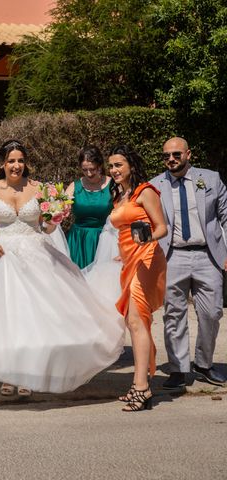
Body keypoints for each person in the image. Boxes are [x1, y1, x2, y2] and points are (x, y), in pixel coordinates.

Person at [0, 139, 125, 395]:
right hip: (3, 257)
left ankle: (29, 374)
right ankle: (7, 374)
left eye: (20, 160)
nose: (16, 165)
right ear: (2, 164)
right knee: (7, 319)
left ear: (26, 163)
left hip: (36, 254)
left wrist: (55, 218)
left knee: (35, 318)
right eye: (11, 161)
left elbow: (47, 226)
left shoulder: (40, 188)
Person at [151, 137, 227, 389]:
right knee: (173, 314)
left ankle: (204, 364)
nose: (171, 159)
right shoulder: (155, 186)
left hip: (209, 255)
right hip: (173, 256)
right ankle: (178, 368)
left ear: (188, 154)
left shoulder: (211, 179)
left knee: (212, 312)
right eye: (166, 156)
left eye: (176, 154)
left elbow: (225, 216)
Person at [108, 145, 167, 412]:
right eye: (111, 166)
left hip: (146, 257)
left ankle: (141, 387)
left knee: (136, 319)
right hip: (129, 259)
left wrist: (143, 241)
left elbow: (161, 228)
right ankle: (139, 383)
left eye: (119, 165)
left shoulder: (146, 191)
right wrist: (124, 253)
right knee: (135, 322)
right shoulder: (120, 196)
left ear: (131, 165)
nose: (114, 170)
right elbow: (125, 230)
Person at [65, 145, 113, 268]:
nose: (89, 173)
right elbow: (61, 210)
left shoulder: (113, 186)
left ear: (100, 165)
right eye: (84, 170)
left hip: (104, 239)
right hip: (77, 241)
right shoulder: (74, 186)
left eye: (92, 169)